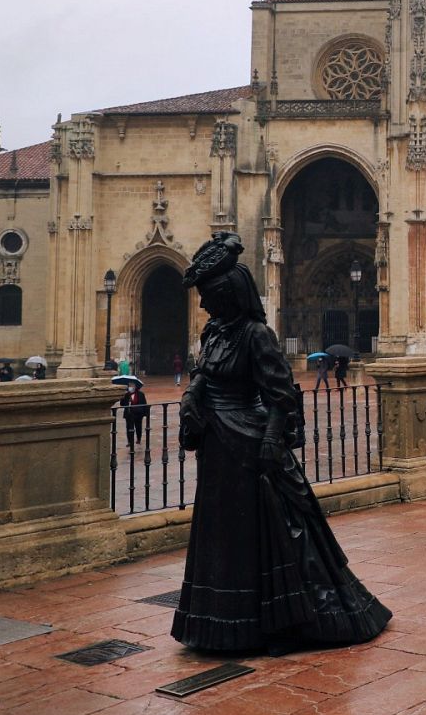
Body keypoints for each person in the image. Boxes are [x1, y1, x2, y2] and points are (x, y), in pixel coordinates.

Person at [172, 232, 390, 653]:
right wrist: (190, 398)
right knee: (224, 536)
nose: (201, 304)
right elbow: (202, 375)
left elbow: (281, 395)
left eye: (207, 295)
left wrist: (271, 443)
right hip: (219, 451)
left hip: (250, 450)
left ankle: (273, 623)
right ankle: (223, 623)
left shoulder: (256, 335)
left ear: (227, 293)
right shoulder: (214, 333)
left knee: (269, 537)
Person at [122, 384, 150, 449]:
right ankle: (129, 441)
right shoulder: (126, 395)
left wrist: (145, 413)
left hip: (138, 414)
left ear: (135, 387)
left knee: (138, 427)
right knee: (129, 428)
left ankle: (138, 439)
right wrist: (123, 397)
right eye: (129, 386)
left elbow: (144, 403)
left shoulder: (141, 394)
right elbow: (122, 404)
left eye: (132, 386)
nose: (130, 387)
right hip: (129, 414)